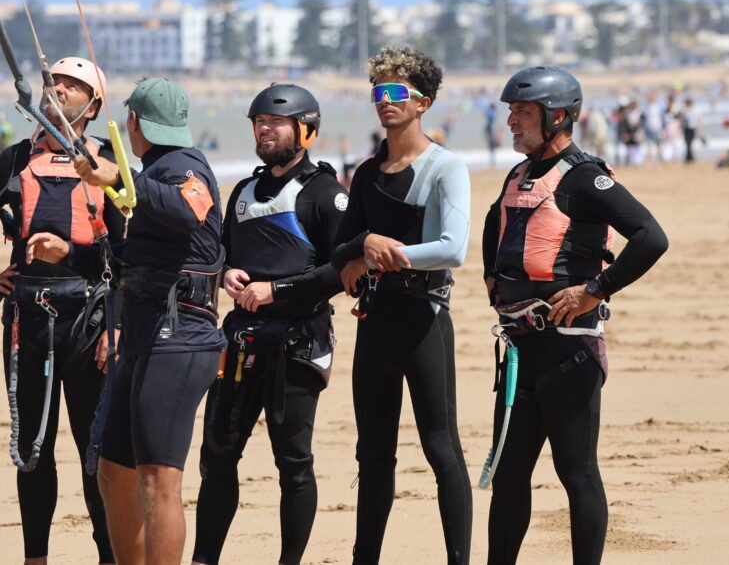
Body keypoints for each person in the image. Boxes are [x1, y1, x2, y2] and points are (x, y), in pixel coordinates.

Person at [482, 65, 669, 565]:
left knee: (577, 472)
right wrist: (490, 275)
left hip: (569, 350)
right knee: (509, 476)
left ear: (558, 116)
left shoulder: (586, 177)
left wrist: (597, 288)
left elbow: (651, 237)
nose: (512, 122)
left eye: (522, 113)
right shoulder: (519, 175)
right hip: (521, 350)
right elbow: (494, 221)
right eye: (511, 113)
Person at [0, 57, 123, 565]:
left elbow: (131, 254)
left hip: (91, 324)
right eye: (54, 83)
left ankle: (108, 557)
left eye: (72, 86)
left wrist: (120, 326)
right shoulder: (14, 160)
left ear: (92, 106)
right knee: (33, 452)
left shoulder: (108, 162)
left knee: (95, 457)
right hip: (29, 324)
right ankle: (36, 559)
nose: (58, 90)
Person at [192, 84, 347, 565]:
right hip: (239, 343)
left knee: (293, 465)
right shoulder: (241, 192)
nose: (264, 128)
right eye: (258, 120)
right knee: (216, 459)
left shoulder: (326, 193)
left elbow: (343, 271)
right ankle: (204, 559)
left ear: (307, 130)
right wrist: (225, 273)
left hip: (297, 348)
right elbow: (220, 254)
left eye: (276, 121)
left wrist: (275, 291)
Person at [332, 45, 472, 565]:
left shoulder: (445, 167)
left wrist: (373, 253)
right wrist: (362, 246)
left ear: (423, 103)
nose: (383, 101)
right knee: (372, 457)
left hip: (424, 319)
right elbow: (340, 245)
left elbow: (451, 249)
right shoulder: (368, 172)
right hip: (376, 322)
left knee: (441, 449)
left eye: (395, 92)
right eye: (377, 92)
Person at [75, 77, 224, 565]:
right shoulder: (153, 168)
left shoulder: (186, 166)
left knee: (159, 481)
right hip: (141, 334)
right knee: (113, 471)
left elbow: (187, 209)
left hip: (181, 339)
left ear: (133, 123)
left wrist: (117, 177)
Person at [678, 97, 700, 163]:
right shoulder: (684, 110)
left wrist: (699, 129)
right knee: (687, 143)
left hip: (692, 128)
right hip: (686, 128)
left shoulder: (694, 110)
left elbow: (697, 120)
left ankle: (689, 157)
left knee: (689, 143)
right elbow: (681, 117)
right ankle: (689, 157)